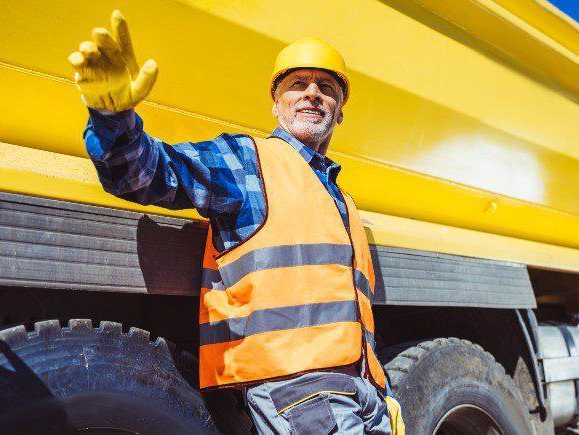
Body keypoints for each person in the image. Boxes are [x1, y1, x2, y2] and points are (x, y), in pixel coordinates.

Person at [68, 10, 403, 434]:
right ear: (276, 104)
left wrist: (380, 389)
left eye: (327, 88)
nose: (313, 94)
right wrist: (114, 120)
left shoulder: (341, 200)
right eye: (297, 84)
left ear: (340, 113)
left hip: (362, 392)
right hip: (301, 393)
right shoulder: (249, 164)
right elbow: (152, 175)